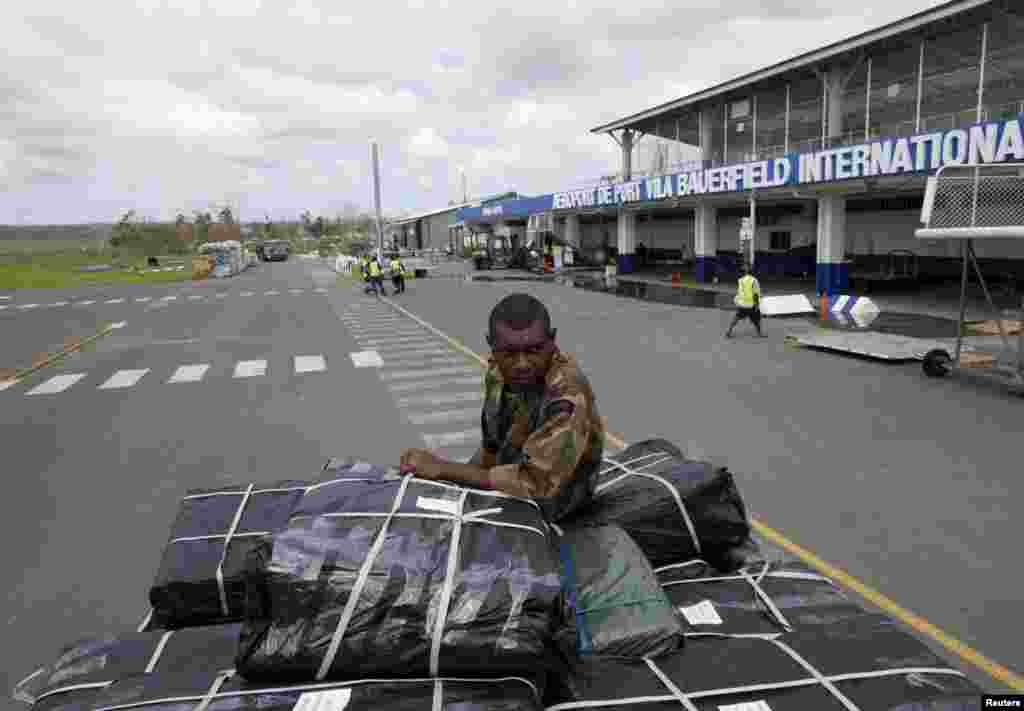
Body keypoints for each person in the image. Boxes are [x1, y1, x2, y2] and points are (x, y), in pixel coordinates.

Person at [400, 293, 604, 521]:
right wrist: (455, 485)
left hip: (556, 496)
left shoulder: (567, 393)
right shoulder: (497, 373)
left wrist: (443, 468)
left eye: (534, 350)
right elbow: (491, 445)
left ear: (552, 340)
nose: (522, 364)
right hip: (514, 468)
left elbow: (534, 484)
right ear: (492, 345)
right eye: (509, 353)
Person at [726, 264, 765, 338]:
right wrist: (757, 305)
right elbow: (755, 294)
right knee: (757, 319)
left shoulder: (741, 280)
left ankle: (729, 331)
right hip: (751, 304)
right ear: (752, 272)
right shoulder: (754, 280)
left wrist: (738, 301)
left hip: (742, 304)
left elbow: (740, 291)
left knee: (736, 318)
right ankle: (760, 333)